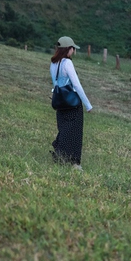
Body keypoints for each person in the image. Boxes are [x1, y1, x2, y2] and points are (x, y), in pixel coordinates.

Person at [50, 36, 92, 170]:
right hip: (72, 102)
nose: (73, 51)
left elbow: (56, 83)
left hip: (59, 101)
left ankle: (60, 154)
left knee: (63, 129)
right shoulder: (67, 63)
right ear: (68, 49)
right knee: (75, 131)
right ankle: (75, 162)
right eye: (73, 48)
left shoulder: (53, 63)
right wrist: (88, 104)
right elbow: (77, 85)